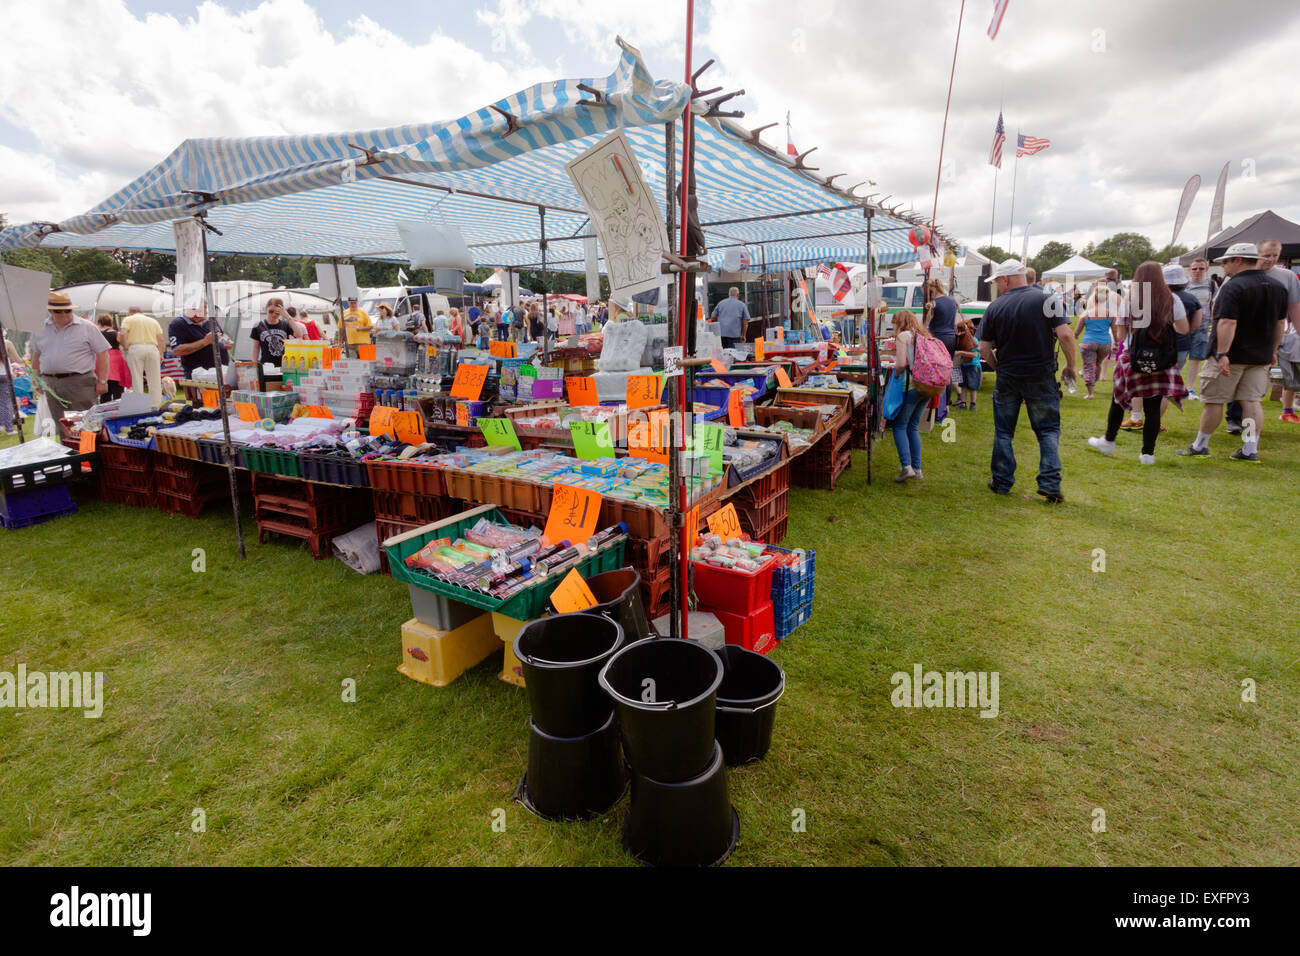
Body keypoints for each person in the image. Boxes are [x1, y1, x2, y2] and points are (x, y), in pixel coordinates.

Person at [1176, 243, 1288, 461]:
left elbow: (1227, 321)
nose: (1223, 266)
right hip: (1260, 355)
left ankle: (1201, 445)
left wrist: (1222, 353)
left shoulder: (1233, 286)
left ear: (1238, 260)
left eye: (1225, 262)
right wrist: (1273, 350)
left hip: (1232, 355)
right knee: (1251, 401)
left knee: (1214, 400)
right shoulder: (1277, 287)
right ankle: (1249, 449)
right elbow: (1280, 324)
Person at [977, 259, 1077, 502]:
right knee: (1048, 430)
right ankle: (1051, 484)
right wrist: (1071, 366)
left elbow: (983, 348)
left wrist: (997, 367)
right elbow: (1064, 334)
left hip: (1009, 376)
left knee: (1004, 431)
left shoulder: (995, 307)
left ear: (1006, 278)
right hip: (1040, 375)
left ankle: (1001, 482)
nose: (997, 286)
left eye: (998, 281)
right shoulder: (1047, 299)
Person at [1086, 261, 1190, 464]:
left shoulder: (1132, 299)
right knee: (1153, 406)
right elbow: (1183, 328)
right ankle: (1147, 454)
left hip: (1134, 358)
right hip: (1162, 361)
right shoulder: (1172, 299)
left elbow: (1122, 331)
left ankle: (1108, 441)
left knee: (1118, 399)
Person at [30, 292, 111, 415]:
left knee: (85, 424)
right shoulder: (40, 329)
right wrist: (36, 379)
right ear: (50, 311)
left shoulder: (87, 327)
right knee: (61, 424)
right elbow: (37, 356)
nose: (64, 314)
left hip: (79, 382)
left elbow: (103, 354)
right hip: (50, 383)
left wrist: (102, 381)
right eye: (58, 311)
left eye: (67, 310)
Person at [1255, 239, 1300, 422]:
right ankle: (1246, 426)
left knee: (1290, 373)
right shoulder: (1247, 274)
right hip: (1256, 336)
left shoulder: (1287, 276)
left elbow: (1294, 307)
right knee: (1256, 383)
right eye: (1266, 255)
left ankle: (1287, 410)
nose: (1271, 259)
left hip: (1282, 333)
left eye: (1275, 256)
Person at [887, 310, 932, 482]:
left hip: (911, 385)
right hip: (927, 385)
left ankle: (906, 467)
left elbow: (900, 364)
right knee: (913, 426)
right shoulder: (922, 334)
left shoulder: (903, 337)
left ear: (899, 322)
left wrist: (896, 376)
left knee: (899, 425)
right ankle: (917, 468)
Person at [1162, 264, 1204, 414]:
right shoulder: (1192, 299)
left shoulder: (1158, 298)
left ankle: (1152, 418)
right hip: (1182, 343)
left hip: (1160, 344)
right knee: (1171, 377)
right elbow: (1196, 325)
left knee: (1158, 381)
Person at [1073, 282, 1118, 399]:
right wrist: (1116, 344)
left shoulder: (1085, 314)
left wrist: (1075, 336)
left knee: (1089, 366)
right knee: (1097, 364)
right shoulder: (1111, 314)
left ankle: (1091, 393)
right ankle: (1093, 384)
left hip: (1088, 343)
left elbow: (1076, 332)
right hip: (1105, 343)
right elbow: (1115, 332)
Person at [168, 306, 231, 379]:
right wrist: (205, 341)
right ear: (186, 309)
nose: (196, 314)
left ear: (205, 309)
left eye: (200, 311)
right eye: (193, 310)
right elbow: (177, 350)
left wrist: (227, 340)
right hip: (199, 376)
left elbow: (221, 334)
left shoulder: (211, 319)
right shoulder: (178, 323)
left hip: (221, 370)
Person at [119, 306, 165, 400]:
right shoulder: (153, 321)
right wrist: (161, 353)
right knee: (155, 379)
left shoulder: (128, 319)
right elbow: (161, 339)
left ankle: (140, 406)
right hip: (152, 348)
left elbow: (122, 333)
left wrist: (125, 347)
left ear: (130, 313)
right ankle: (155, 404)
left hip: (135, 348)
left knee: (137, 378)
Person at [1184, 257, 1214, 396]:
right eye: (1194, 268)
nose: (1197, 271)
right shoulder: (1184, 285)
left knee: (1196, 358)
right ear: (1190, 270)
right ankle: (1175, 386)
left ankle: (1189, 388)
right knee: (1179, 357)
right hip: (1183, 325)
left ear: (1206, 269)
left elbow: (1214, 304)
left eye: (1201, 268)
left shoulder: (1212, 285)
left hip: (1202, 327)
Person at [251, 298, 295, 376]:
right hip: (266, 366)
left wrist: (287, 316)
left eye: (277, 313)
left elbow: (299, 334)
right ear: (266, 309)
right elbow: (255, 347)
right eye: (271, 311)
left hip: (284, 365)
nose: (274, 314)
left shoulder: (285, 324)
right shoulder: (258, 326)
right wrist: (254, 365)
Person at [95, 315, 131, 401]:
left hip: (101, 359)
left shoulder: (96, 333)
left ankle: (104, 410)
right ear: (110, 323)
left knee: (104, 391)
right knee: (118, 389)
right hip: (116, 361)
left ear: (99, 322)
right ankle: (119, 409)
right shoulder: (116, 334)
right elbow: (125, 345)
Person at [952, 318, 982, 411]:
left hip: (973, 367)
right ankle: (963, 403)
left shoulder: (974, 341)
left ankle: (973, 404)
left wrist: (960, 352)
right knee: (963, 386)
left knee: (973, 387)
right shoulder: (963, 341)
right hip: (964, 366)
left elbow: (974, 354)